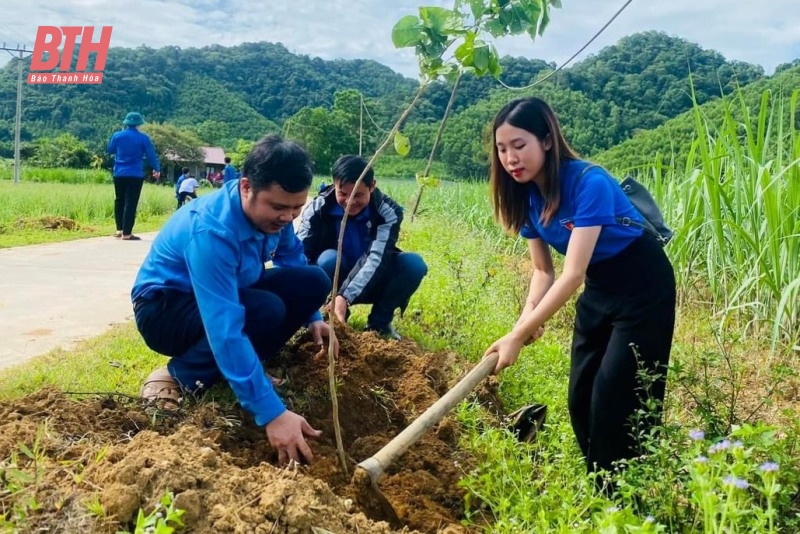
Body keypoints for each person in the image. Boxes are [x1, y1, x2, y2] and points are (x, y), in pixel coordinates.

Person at [484, 97, 676, 480]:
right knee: (581, 396)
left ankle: (625, 493)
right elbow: (542, 271)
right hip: (601, 287)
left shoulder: (590, 182)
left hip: (643, 284)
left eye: (519, 146)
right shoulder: (526, 197)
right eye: (502, 149)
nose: (510, 159)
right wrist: (525, 321)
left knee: (617, 396)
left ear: (547, 140)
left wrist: (518, 337)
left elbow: (572, 273)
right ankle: (600, 481)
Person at [133, 133, 338, 465]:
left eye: (296, 208)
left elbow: (292, 259)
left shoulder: (277, 218)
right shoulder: (212, 232)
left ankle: (244, 370)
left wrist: (314, 317)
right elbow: (224, 327)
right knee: (262, 309)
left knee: (313, 280)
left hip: (225, 295)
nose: (287, 217)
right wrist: (272, 413)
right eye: (278, 207)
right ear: (246, 187)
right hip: (164, 309)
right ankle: (176, 375)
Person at [297, 155, 428, 340]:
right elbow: (300, 253)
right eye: (343, 194)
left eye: (358, 195)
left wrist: (345, 296)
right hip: (331, 276)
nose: (350, 202)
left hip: (373, 279)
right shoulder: (319, 208)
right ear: (335, 185)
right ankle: (331, 316)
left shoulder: (388, 212)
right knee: (328, 258)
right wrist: (305, 306)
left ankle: (379, 324)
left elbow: (377, 257)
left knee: (414, 264)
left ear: (372, 186)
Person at [107, 112, 161, 240]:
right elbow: (151, 155)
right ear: (139, 124)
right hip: (135, 174)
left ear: (126, 123)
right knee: (131, 202)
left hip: (119, 173)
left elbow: (110, 150)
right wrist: (156, 169)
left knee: (119, 200)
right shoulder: (143, 138)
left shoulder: (117, 135)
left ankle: (119, 230)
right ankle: (127, 233)